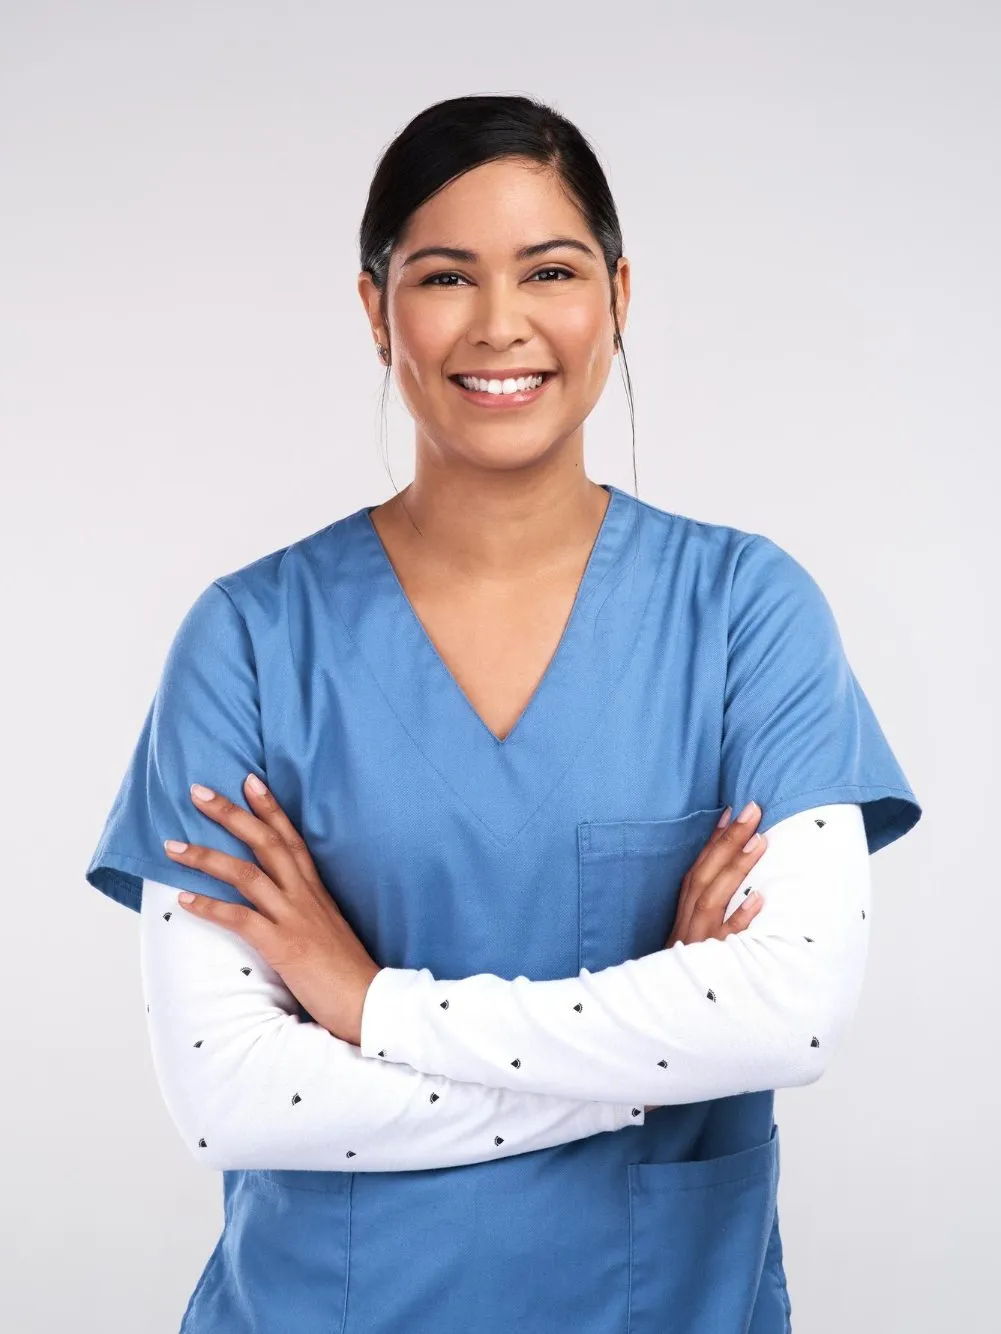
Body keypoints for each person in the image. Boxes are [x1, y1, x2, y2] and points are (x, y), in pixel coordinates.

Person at [85, 94, 921, 1334]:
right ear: (376, 311)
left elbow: (786, 1009)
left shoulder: (745, 612)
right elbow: (231, 1092)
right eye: (442, 276)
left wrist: (370, 1006)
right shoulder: (252, 640)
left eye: (549, 269)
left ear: (618, 296)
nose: (499, 324)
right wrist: (647, 1054)